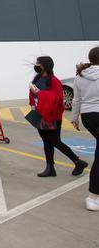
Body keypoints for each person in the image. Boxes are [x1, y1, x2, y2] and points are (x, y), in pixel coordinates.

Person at [29, 56, 88, 177]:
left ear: (45, 66)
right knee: (46, 141)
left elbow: (57, 99)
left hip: (52, 116)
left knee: (55, 141)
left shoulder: (54, 81)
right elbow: (32, 93)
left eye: (38, 64)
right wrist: (32, 103)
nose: (36, 65)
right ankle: (50, 167)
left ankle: (78, 161)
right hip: (40, 114)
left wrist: (39, 93)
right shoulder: (38, 78)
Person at [71, 46, 99, 211]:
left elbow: (76, 100)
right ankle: (92, 197)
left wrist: (74, 119)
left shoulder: (80, 76)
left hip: (87, 116)